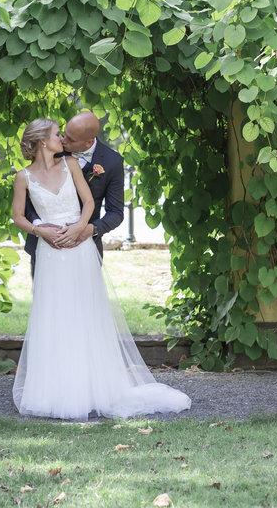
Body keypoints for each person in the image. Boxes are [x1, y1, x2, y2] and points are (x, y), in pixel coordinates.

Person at [10, 117, 191, 421]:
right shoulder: (23, 177)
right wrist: (42, 230)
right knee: (52, 316)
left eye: (66, 136)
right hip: (49, 251)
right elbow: (19, 216)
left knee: (86, 316)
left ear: (86, 141)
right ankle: (53, 390)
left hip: (81, 249)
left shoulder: (76, 164)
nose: (63, 140)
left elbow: (97, 206)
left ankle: (92, 387)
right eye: (59, 135)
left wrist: (82, 228)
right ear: (44, 141)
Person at [22, 110, 125, 275]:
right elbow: (30, 193)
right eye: (63, 134)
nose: (63, 140)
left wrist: (88, 229)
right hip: (45, 245)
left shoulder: (113, 163)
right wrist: (39, 226)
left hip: (86, 248)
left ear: (89, 142)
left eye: (70, 139)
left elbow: (116, 213)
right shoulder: (51, 148)